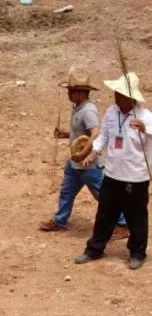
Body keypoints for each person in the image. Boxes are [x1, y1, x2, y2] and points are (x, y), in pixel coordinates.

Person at [75, 73, 151, 270]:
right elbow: (104, 136)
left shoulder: (145, 116)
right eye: (116, 93)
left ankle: (137, 253)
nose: (116, 97)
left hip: (136, 176)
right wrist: (93, 153)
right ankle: (94, 249)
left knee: (136, 217)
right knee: (105, 213)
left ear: (131, 98)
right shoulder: (111, 111)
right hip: (112, 173)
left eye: (121, 94)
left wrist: (145, 129)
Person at [40, 74, 126, 236]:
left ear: (80, 93)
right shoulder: (78, 108)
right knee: (67, 191)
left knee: (104, 195)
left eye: (71, 91)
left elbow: (95, 134)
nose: (68, 94)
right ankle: (60, 220)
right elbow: (82, 134)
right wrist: (65, 134)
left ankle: (123, 223)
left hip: (89, 164)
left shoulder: (88, 111)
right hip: (76, 164)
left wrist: (82, 155)